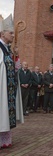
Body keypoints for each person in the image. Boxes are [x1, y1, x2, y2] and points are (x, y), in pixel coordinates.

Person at [0, 14, 23, 148]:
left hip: (8, 89)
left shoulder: (8, 50)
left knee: (5, 113)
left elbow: (14, 69)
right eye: (11, 33)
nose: (13, 36)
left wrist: (16, 55)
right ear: (2, 34)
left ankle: (4, 139)